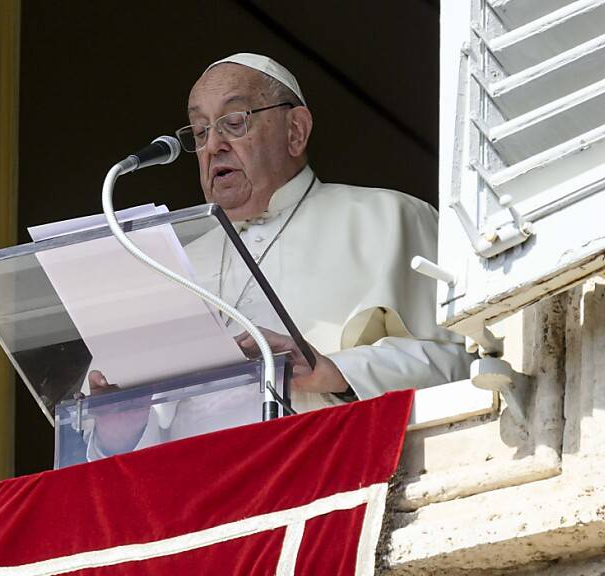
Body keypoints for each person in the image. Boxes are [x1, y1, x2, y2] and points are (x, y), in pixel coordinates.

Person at [87, 53, 471, 456]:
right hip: (193, 502)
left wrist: (335, 372)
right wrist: (120, 431)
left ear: (295, 131)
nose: (214, 145)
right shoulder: (167, 266)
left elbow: (463, 367)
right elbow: (120, 450)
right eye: (200, 132)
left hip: (331, 475)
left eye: (234, 122)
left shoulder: (391, 218)